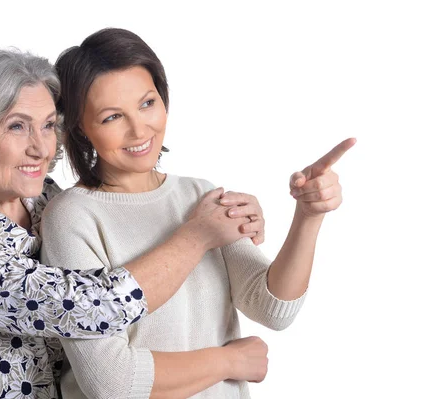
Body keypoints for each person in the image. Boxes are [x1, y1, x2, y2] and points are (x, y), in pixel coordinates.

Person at [0, 48, 268, 398]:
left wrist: (239, 223)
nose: (41, 148)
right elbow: (93, 307)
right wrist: (197, 237)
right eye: (17, 126)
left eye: (48, 126)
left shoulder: (43, 197)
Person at [42, 27, 356, 398]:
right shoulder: (71, 217)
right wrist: (229, 362)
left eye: (147, 103)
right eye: (112, 117)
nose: (139, 129)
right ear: (79, 128)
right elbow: (109, 383)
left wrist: (308, 216)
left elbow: (274, 309)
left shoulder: (198, 195)